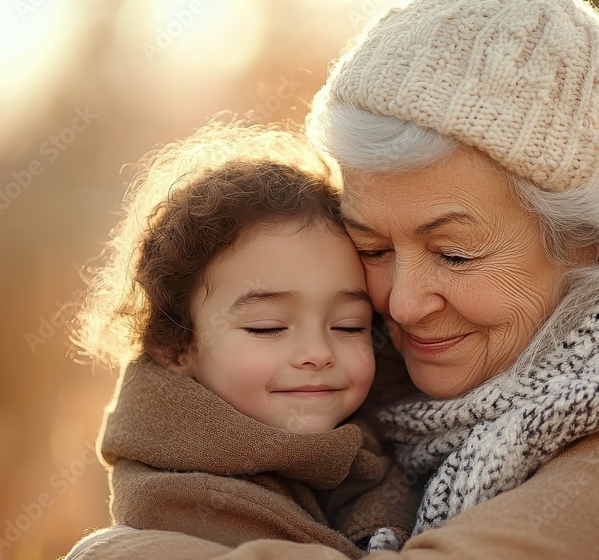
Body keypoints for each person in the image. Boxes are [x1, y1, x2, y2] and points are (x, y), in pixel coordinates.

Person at [64, 0, 599, 558]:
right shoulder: (345, 368)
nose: (401, 306)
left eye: (455, 254)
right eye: (373, 248)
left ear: (583, 242)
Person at [63, 123, 420, 560]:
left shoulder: (401, 457)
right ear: (176, 344)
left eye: (348, 326)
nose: (318, 354)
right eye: (267, 327)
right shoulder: (168, 514)